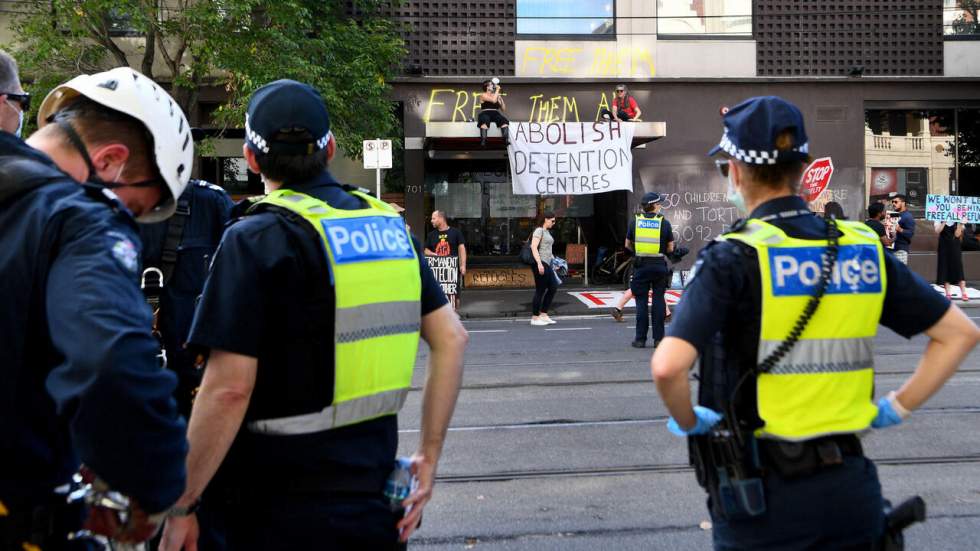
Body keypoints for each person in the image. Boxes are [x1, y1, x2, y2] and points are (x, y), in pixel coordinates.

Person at [651, 95, 980, 550]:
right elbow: (959, 334)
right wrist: (896, 408)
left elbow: (668, 367)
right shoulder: (862, 247)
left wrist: (690, 420)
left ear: (737, 171)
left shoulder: (732, 256)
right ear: (803, 172)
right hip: (852, 489)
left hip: (761, 497)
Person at [159, 79, 467, 551]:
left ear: (251, 157)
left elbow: (228, 389)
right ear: (331, 149)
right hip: (372, 508)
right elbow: (451, 339)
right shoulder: (389, 227)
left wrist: (182, 505)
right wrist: (428, 455)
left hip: (270, 513)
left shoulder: (254, 238)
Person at [1, 63, 192, 548]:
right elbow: (109, 361)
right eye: (135, 209)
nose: (129, 220)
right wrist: (159, 486)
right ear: (109, 162)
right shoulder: (78, 220)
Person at [139, 176, 233, 416]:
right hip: (129, 372)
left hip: (192, 374)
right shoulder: (106, 204)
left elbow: (234, 290)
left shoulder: (210, 203)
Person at [625, 192, 674, 348]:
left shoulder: (635, 222)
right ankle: (659, 339)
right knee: (659, 301)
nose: (660, 206)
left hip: (641, 266)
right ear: (654, 205)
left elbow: (627, 244)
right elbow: (670, 248)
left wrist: (637, 253)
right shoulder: (664, 223)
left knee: (641, 303)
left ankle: (640, 339)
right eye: (659, 203)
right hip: (659, 266)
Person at [425, 210, 467, 308]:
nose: (431, 221)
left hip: (452, 271)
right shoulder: (431, 235)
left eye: (434, 218)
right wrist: (434, 254)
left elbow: (461, 248)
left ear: (441, 218)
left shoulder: (455, 232)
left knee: (455, 298)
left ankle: (453, 316)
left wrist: (463, 265)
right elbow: (426, 250)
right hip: (438, 272)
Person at [529, 211, 559, 326]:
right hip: (540, 263)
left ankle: (544, 314)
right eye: (552, 221)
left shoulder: (546, 232)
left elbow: (547, 248)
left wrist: (553, 260)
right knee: (540, 290)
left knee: (553, 287)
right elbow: (534, 247)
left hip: (547, 263)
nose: (554, 223)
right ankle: (535, 318)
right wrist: (539, 263)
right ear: (546, 219)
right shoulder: (539, 230)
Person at [935, 220, 969, 302]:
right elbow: (937, 231)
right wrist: (943, 221)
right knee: (944, 267)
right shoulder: (939, 218)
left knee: (958, 267)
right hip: (943, 246)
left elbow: (957, 234)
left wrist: (960, 224)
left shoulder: (957, 219)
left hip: (955, 245)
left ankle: (963, 292)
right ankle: (948, 293)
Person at [477, 78, 508, 147]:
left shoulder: (496, 95)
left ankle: (505, 140)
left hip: (495, 113)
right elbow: (493, 101)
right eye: (491, 85)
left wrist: (501, 99)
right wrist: (497, 90)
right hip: (486, 112)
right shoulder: (483, 95)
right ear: (487, 87)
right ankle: (483, 140)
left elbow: (503, 109)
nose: (493, 86)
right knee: (485, 121)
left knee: (504, 121)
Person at [891, 193, 916, 264]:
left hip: (900, 250)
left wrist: (900, 229)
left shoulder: (908, 216)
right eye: (892, 202)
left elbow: (910, 234)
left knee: (899, 273)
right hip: (890, 249)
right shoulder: (893, 214)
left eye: (896, 202)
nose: (893, 204)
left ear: (903, 203)